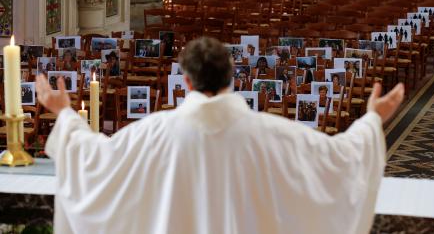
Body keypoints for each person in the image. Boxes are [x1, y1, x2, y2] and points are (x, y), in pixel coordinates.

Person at [35, 36, 404, 234]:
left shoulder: (150, 133)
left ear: (188, 80)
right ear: (231, 76)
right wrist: (372, 120)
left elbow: (94, 161)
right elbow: (339, 162)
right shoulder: (276, 133)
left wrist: (64, 112)